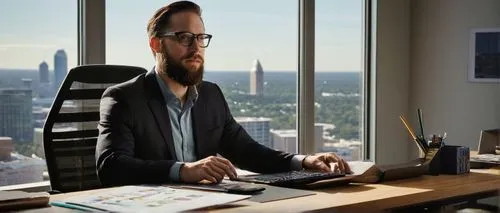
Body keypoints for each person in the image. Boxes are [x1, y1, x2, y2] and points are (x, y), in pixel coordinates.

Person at [96, 0, 350, 186]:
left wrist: (304, 161)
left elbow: (247, 151)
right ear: (156, 44)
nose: (195, 47)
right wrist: (183, 170)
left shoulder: (210, 95)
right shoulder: (124, 99)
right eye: (184, 37)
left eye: (200, 37)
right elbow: (112, 166)